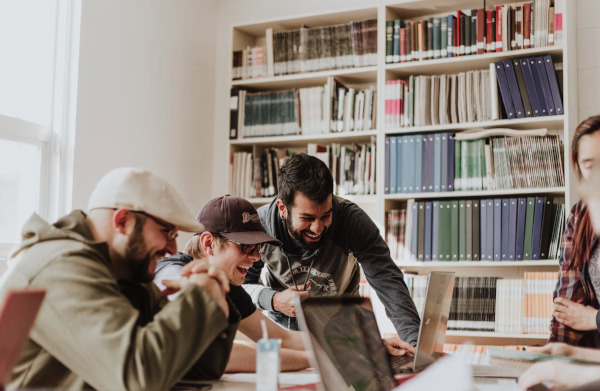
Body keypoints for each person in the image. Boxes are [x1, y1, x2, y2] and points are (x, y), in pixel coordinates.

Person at [0, 167, 237, 390]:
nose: (173, 249)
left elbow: (199, 368)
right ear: (122, 221)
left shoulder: (126, 272)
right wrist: (199, 298)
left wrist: (214, 298)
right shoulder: (62, 267)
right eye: (167, 232)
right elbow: (137, 378)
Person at [243, 153, 421, 350]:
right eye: (307, 218)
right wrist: (274, 300)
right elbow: (241, 287)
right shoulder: (260, 226)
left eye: (326, 215)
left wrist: (415, 347)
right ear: (283, 208)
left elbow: (389, 282)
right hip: (285, 338)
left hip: (343, 335)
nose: (317, 228)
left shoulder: (352, 220)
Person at [154, 194, 311, 372]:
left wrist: (336, 345)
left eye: (258, 247)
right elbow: (214, 352)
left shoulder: (227, 285)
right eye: (246, 246)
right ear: (208, 243)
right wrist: (314, 360)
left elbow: (280, 338)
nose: (256, 257)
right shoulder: (170, 272)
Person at [549, 115, 600, 348]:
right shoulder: (580, 215)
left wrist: (593, 318)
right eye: (590, 166)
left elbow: (585, 317)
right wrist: (554, 353)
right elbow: (566, 305)